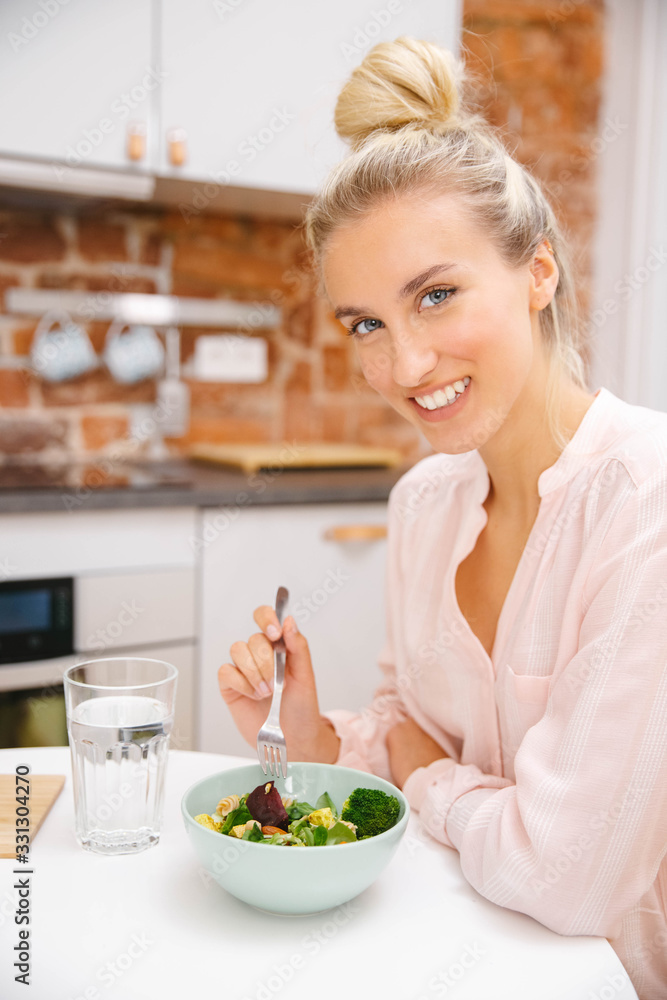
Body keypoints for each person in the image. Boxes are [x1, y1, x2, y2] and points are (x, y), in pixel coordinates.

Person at [218, 37, 667, 999]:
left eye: (436, 295)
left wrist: (424, 776)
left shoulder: (647, 501)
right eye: (366, 324)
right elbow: (409, 726)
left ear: (537, 272)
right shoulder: (424, 500)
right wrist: (309, 734)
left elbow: (569, 877)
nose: (403, 366)